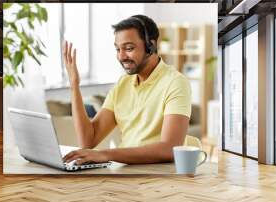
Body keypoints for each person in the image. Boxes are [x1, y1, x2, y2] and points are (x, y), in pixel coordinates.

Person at [62, 15, 191, 165]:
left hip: (155, 176)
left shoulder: (175, 82)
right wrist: (74, 86)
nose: (121, 56)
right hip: (125, 170)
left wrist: (105, 155)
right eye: (118, 49)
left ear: (151, 45)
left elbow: (170, 149)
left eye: (129, 48)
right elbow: (88, 140)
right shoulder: (123, 83)